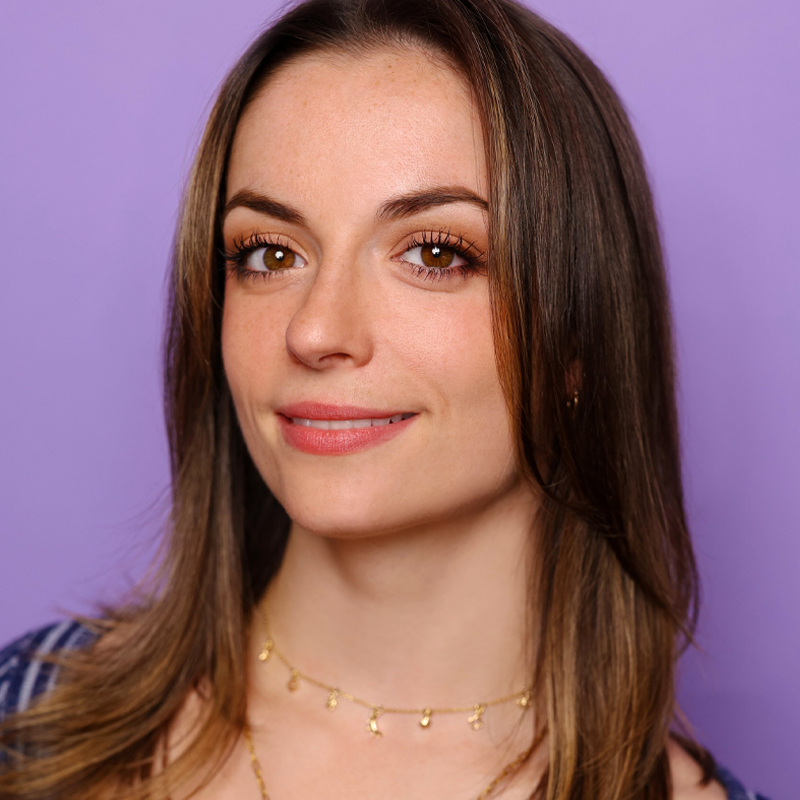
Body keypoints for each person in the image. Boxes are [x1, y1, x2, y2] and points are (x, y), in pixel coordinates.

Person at [0, 0, 770, 798]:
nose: (316, 329)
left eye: (435, 253)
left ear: (579, 339)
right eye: (269, 253)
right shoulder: (28, 722)